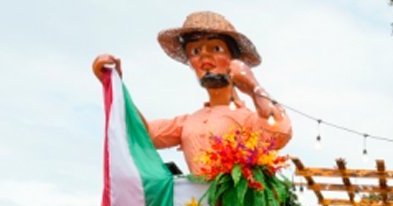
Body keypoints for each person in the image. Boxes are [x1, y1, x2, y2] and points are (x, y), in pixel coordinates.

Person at [92, 11, 292, 177]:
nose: (204, 56)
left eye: (216, 48)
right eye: (195, 51)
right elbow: (142, 134)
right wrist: (115, 85)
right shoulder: (187, 122)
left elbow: (280, 132)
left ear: (234, 59)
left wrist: (253, 85)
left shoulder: (250, 119)